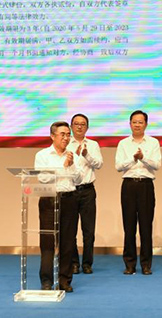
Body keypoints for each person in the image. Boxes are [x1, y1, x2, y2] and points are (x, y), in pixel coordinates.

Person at [34, 121, 82, 292]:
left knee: (68, 242)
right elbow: (43, 178)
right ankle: (46, 281)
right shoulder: (43, 155)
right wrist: (63, 167)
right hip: (49, 200)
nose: (66, 138)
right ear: (52, 136)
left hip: (70, 199)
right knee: (48, 242)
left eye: (68, 134)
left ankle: (64, 280)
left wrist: (71, 165)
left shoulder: (73, 155)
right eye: (63, 134)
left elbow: (79, 179)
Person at [115, 110, 161, 275]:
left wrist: (143, 158)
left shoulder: (153, 142)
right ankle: (130, 264)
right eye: (134, 122)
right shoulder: (123, 143)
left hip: (146, 186)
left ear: (146, 124)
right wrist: (133, 159)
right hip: (128, 185)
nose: (137, 125)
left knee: (146, 226)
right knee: (129, 227)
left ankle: (146, 264)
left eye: (140, 122)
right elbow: (118, 166)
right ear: (130, 124)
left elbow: (157, 165)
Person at [67, 113, 103, 275]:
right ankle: (74, 263)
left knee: (88, 230)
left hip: (88, 190)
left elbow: (99, 164)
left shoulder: (93, 144)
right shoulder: (66, 144)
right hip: (70, 190)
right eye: (76, 124)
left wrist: (86, 154)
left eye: (83, 124)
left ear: (87, 127)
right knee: (71, 230)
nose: (79, 127)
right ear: (71, 127)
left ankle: (87, 263)